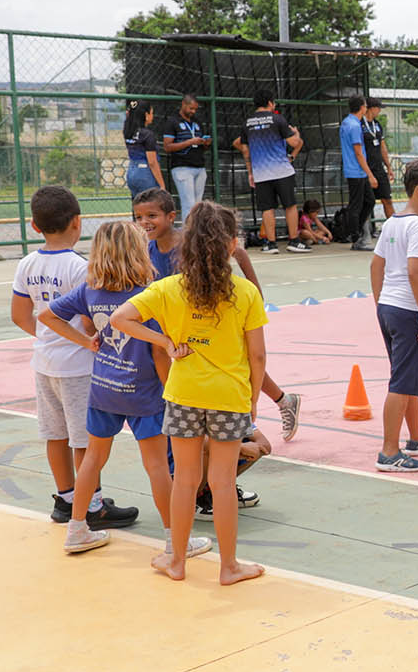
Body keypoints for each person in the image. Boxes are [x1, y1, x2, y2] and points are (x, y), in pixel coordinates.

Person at [110, 202, 269, 586]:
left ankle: (177, 561)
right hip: (229, 396)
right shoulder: (245, 292)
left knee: (184, 478)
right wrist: (253, 399)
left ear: (188, 245)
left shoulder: (168, 288)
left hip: (183, 394)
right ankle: (229, 566)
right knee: (222, 481)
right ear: (232, 245)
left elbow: (120, 319)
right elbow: (258, 354)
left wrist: (163, 340)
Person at [38, 220, 209, 561]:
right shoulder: (150, 293)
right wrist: (171, 391)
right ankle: (175, 539)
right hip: (143, 390)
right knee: (157, 465)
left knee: (93, 460)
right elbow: (160, 352)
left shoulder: (90, 290)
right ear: (137, 252)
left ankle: (77, 529)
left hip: (104, 387)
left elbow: (46, 316)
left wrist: (87, 342)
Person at [9, 188, 138, 532]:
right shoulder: (81, 267)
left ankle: (66, 497)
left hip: (45, 361)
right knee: (84, 438)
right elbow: (87, 320)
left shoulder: (27, 263)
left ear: (35, 226)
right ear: (78, 222)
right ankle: (91, 504)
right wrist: (85, 341)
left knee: (55, 434)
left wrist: (47, 337)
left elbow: (20, 315)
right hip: (78, 364)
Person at [138, 187, 301, 444]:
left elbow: (239, 252)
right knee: (167, 354)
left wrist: (254, 292)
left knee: (240, 359)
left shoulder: (192, 240)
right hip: (178, 321)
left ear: (171, 217)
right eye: (139, 217)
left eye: (151, 215)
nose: (145, 222)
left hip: (213, 314)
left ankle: (277, 402)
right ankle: (177, 405)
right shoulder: (149, 251)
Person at [370, 157, 418, 473]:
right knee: (402, 381)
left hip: (390, 308)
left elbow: (376, 266)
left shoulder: (392, 222)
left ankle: (416, 437)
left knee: (408, 374)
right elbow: (415, 270)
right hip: (406, 311)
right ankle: (389, 451)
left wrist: (381, 303)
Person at [234, 92, 305, 254]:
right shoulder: (277, 119)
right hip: (282, 171)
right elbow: (294, 142)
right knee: (290, 205)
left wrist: (250, 173)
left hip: (260, 173)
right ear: (270, 103)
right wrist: (297, 134)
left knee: (267, 208)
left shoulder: (247, 123)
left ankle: (271, 244)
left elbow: (245, 151)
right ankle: (293, 241)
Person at [158, 94, 213, 215]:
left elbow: (201, 147)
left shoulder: (197, 122)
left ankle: (196, 232)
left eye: (195, 109)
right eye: (191, 108)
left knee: (198, 205)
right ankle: (187, 232)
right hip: (182, 167)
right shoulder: (172, 122)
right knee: (188, 204)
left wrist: (206, 143)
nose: (193, 111)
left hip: (199, 167)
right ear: (183, 104)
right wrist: (189, 142)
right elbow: (167, 147)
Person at [340, 97, 379, 250]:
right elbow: (358, 153)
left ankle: (356, 232)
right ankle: (355, 236)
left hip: (357, 171)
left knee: (369, 201)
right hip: (356, 170)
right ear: (362, 108)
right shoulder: (354, 126)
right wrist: (370, 174)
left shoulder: (347, 122)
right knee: (356, 205)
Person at [363, 97, 397, 220]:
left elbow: (382, 146)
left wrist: (388, 166)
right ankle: (364, 232)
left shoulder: (377, 125)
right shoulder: (359, 124)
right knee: (366, 202)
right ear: (371, 108)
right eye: (378, 108)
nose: (379, 111)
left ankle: (394, 230)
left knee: (387, 199)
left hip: (378, 168)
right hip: (365, 169)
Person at [123, 101, 165, 198]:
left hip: (132, 171)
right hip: (145, 172)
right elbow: (152, 162)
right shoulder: (147, 134)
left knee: (138, 205)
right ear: (146, 115)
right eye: (151, 113)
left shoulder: (128, 131)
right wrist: (162, 185)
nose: (152, 116)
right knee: (151, 204)